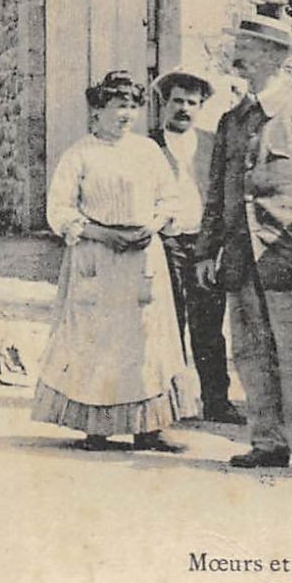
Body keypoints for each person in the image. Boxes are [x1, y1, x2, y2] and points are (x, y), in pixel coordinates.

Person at [196, 12, 292, 479]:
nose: (242, 54)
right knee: (251, 352)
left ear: (277, 57)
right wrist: (205, 251)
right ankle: (267, 442)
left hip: (286, 255)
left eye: (251, 46)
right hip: (240, 257)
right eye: (241, 44)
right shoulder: (230, 121)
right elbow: (217, 192)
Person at [33, 71, 200, 452]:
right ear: (97, 110)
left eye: (131, 107)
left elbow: (168, 198)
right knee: (99, 341)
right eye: (117, 107)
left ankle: (149, 428)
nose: (125, 115)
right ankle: (97, 428)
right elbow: (58, 210)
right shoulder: (80, 154)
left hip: (142, 255)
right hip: (98, 255)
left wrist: (152, 226)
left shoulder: (147, 151)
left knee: (146, 342)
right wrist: (102, 233)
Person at [150, 67, 242, 425]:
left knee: (209, 326)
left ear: (201, 106)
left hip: (204, 246)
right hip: (164, 244)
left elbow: (220, 194)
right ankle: (170, 402)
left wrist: (216, 244)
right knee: (168, 324)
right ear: (164, 104)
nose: (183, 109)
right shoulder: (149, 145)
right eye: (177, 102)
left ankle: (217, 401)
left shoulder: (210, 144)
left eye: (191, 102)